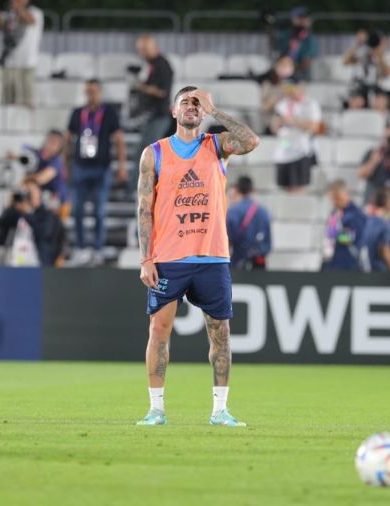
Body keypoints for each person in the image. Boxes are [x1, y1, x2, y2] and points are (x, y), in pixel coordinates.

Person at [135, 86, 259, 427]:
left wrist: (215, 111)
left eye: (197, 103)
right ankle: (155, 409)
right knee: (159, 330)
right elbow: (144, 209)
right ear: (174, 112)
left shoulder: (216, 145)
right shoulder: (155, 153)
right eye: (185, 102)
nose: (192, 107)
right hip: (169, 257)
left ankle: (220, 410)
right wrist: (146, 258)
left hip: (212, 256)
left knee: (219, 332)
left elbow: (251, 141)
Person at [64, 79, 127, 266]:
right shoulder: (78, 113)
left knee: (99, 211)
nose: (90, 95)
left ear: (100, 92)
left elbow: (119, 139)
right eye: (87, 92)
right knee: (77, 211)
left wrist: (122, 166)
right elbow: (68, 139)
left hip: (101, 168)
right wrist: (66, 166)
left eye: (93, 91)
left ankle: (97, 249)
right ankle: (82, 248)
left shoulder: (108, 113)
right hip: (80, 167)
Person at [0, 180, 65, 267]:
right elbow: (0, 230)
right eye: (24, 192)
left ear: (38, 193)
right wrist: (10, 205)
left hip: (40, 266)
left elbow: (44, 233)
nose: (26, 195)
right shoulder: (15, 214)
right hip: (15, 264)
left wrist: (28, 212)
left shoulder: (47, 215)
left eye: (29, 192)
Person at [270, 78, 322, 193]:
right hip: (283, 148)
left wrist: (292, 121)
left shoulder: (310, 104)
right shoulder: (282, 104)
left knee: (299, 186)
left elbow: (315, 127)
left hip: (301, 150)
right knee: (284, 187)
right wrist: (277, 123)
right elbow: (274, 128)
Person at [0, 0, 43, 107]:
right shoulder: (9, 13)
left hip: (27, 62)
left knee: (26, 100)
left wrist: (17, 8)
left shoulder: (36, 12)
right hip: (9, 61)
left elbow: (30, 20)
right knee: (7, 99)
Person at [8, 129, 69, 218]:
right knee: (16, 192)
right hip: (42, 198)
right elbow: (25, 157)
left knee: (32, 188)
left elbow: (41, 179)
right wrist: (15, 157)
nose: (51, 144)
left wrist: (26, 180)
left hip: (58, 204)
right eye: (50, 140)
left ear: (59, 147)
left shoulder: (57, 161)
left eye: (55, 143)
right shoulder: (38, 154)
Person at [134, 35, 174, 168]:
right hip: (152, 115)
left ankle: (140, 186)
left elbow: (163, 92)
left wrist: (143, 87)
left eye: (144, 50)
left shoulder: (162, 65)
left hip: (159, 116)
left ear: (153, 48)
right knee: (146, 151)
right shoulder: (151, 65)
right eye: (140, 50)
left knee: (147, 152)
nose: (142, 53)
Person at [342, 29, 390, 108]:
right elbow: (346, 61)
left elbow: (387, 73)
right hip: (367, 90)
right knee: (355, 102)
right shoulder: (365, 55)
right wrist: (358, 44)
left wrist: (379, 55)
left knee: (379, 102)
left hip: (387, 92)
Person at [226, 176, 272, 271]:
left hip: (237, 262)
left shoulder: (233, 211)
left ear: (237, 190)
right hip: (258, 263)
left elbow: (227, 239)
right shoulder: (264, 212)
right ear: (252, 190)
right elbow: (268, 244)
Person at [321, 180, 367, 271]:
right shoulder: (334, 213)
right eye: (333, 199)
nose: (335, 202)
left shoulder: (356, 214)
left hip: (348, 265)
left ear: (346, 194)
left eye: (337, 198)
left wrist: (334, 234)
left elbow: (350, 237)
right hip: (331, 263)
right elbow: (329, 236)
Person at [358, 124, 390, 205]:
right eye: (387, 137)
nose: (389, 141)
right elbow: (361, 174)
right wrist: (373, 161)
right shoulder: (372, 153)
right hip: (372, 199)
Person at [275, 6, 318, 81]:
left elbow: (307, 61)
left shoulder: (310, 39)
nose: (303, 20)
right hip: (284, 72)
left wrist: (293, 71)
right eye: (300, 18)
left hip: (301, 76)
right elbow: (279, 54)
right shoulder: (286, 35)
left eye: (305, 18)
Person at [360, 189, 390, 273]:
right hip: (375, 270)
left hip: (356, 266)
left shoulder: (360, 217)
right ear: (387, 203)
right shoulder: (386, 225)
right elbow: (385, 252)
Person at [259, 54, 295, 134]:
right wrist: (274, 100)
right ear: (276, 65)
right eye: (283, 64)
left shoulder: (295, 86)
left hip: (292, 120)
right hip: (271, 120)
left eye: (289, 64)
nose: (286, 67)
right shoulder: (267, 84)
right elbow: (262, 108)